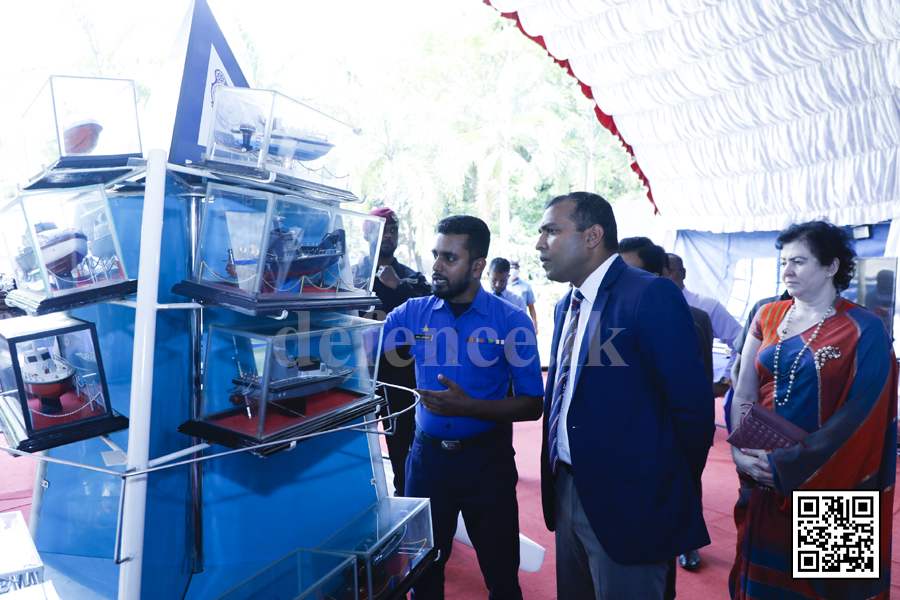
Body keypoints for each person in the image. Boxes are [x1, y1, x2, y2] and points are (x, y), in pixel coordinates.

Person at [536, 192, 714, 598]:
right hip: (567, 490)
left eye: (551, 230)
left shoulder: (649, 295)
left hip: (633, 504)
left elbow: (693, 411)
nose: (540, 243)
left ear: (592, 236)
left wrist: (660, 487)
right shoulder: (568, 305)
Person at [728, 221, 897, 599]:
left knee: (827, 589)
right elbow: (744, 390)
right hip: (761, 473)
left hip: (833, 479)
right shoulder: (768, 315)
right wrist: (740, 451)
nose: (786, 271)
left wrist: (788, 465)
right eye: (783, 261)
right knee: (764, 584)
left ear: (831, 266)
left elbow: (862, 416)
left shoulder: (864, 327)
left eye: (799, 261)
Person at [382, 215, 543, 600]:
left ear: (476, 266)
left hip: (487, 463)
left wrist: (468, 406)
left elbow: (533, 405)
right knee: (423, 574)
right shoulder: (410, 313)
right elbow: (360, 353)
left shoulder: (512, 321)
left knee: (502, 574)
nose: (436, 265)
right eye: (436, 254)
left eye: (449, 258)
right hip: (425, 463)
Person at [618, 236, 714, 583]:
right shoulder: (772, 315)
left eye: (800, 260)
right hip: (776, 464)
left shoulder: (696, 314)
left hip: (833, 463)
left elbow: (694, 392)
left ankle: (686, 537)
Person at [354, 207, 431, 496]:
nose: (388, 235)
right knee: (357, 450)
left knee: (404, 450)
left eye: (393, 230)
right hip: (359, 380)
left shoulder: (411, 278)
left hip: (402, 381)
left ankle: (409, 505)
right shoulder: (350, 278)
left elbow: (432, 319)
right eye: (381, 229)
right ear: (366, 233)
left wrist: (397, 286)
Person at [667, 253, 742, 395]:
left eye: (669, 272)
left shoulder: (706, 306)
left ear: (683, 273)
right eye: (660, 272)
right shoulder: (647, 307)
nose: (664, 277)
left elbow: (741, 342)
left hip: (693, 394)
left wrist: (726, 381)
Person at [508, 260, 538, 332]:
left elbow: (531, 307)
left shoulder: (526, 286)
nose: (514, 270)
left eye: (516, 268)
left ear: (518, 270)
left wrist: (535, 325)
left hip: (520, 322)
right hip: (505, 321)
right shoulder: (502, 286)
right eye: (512, 268)